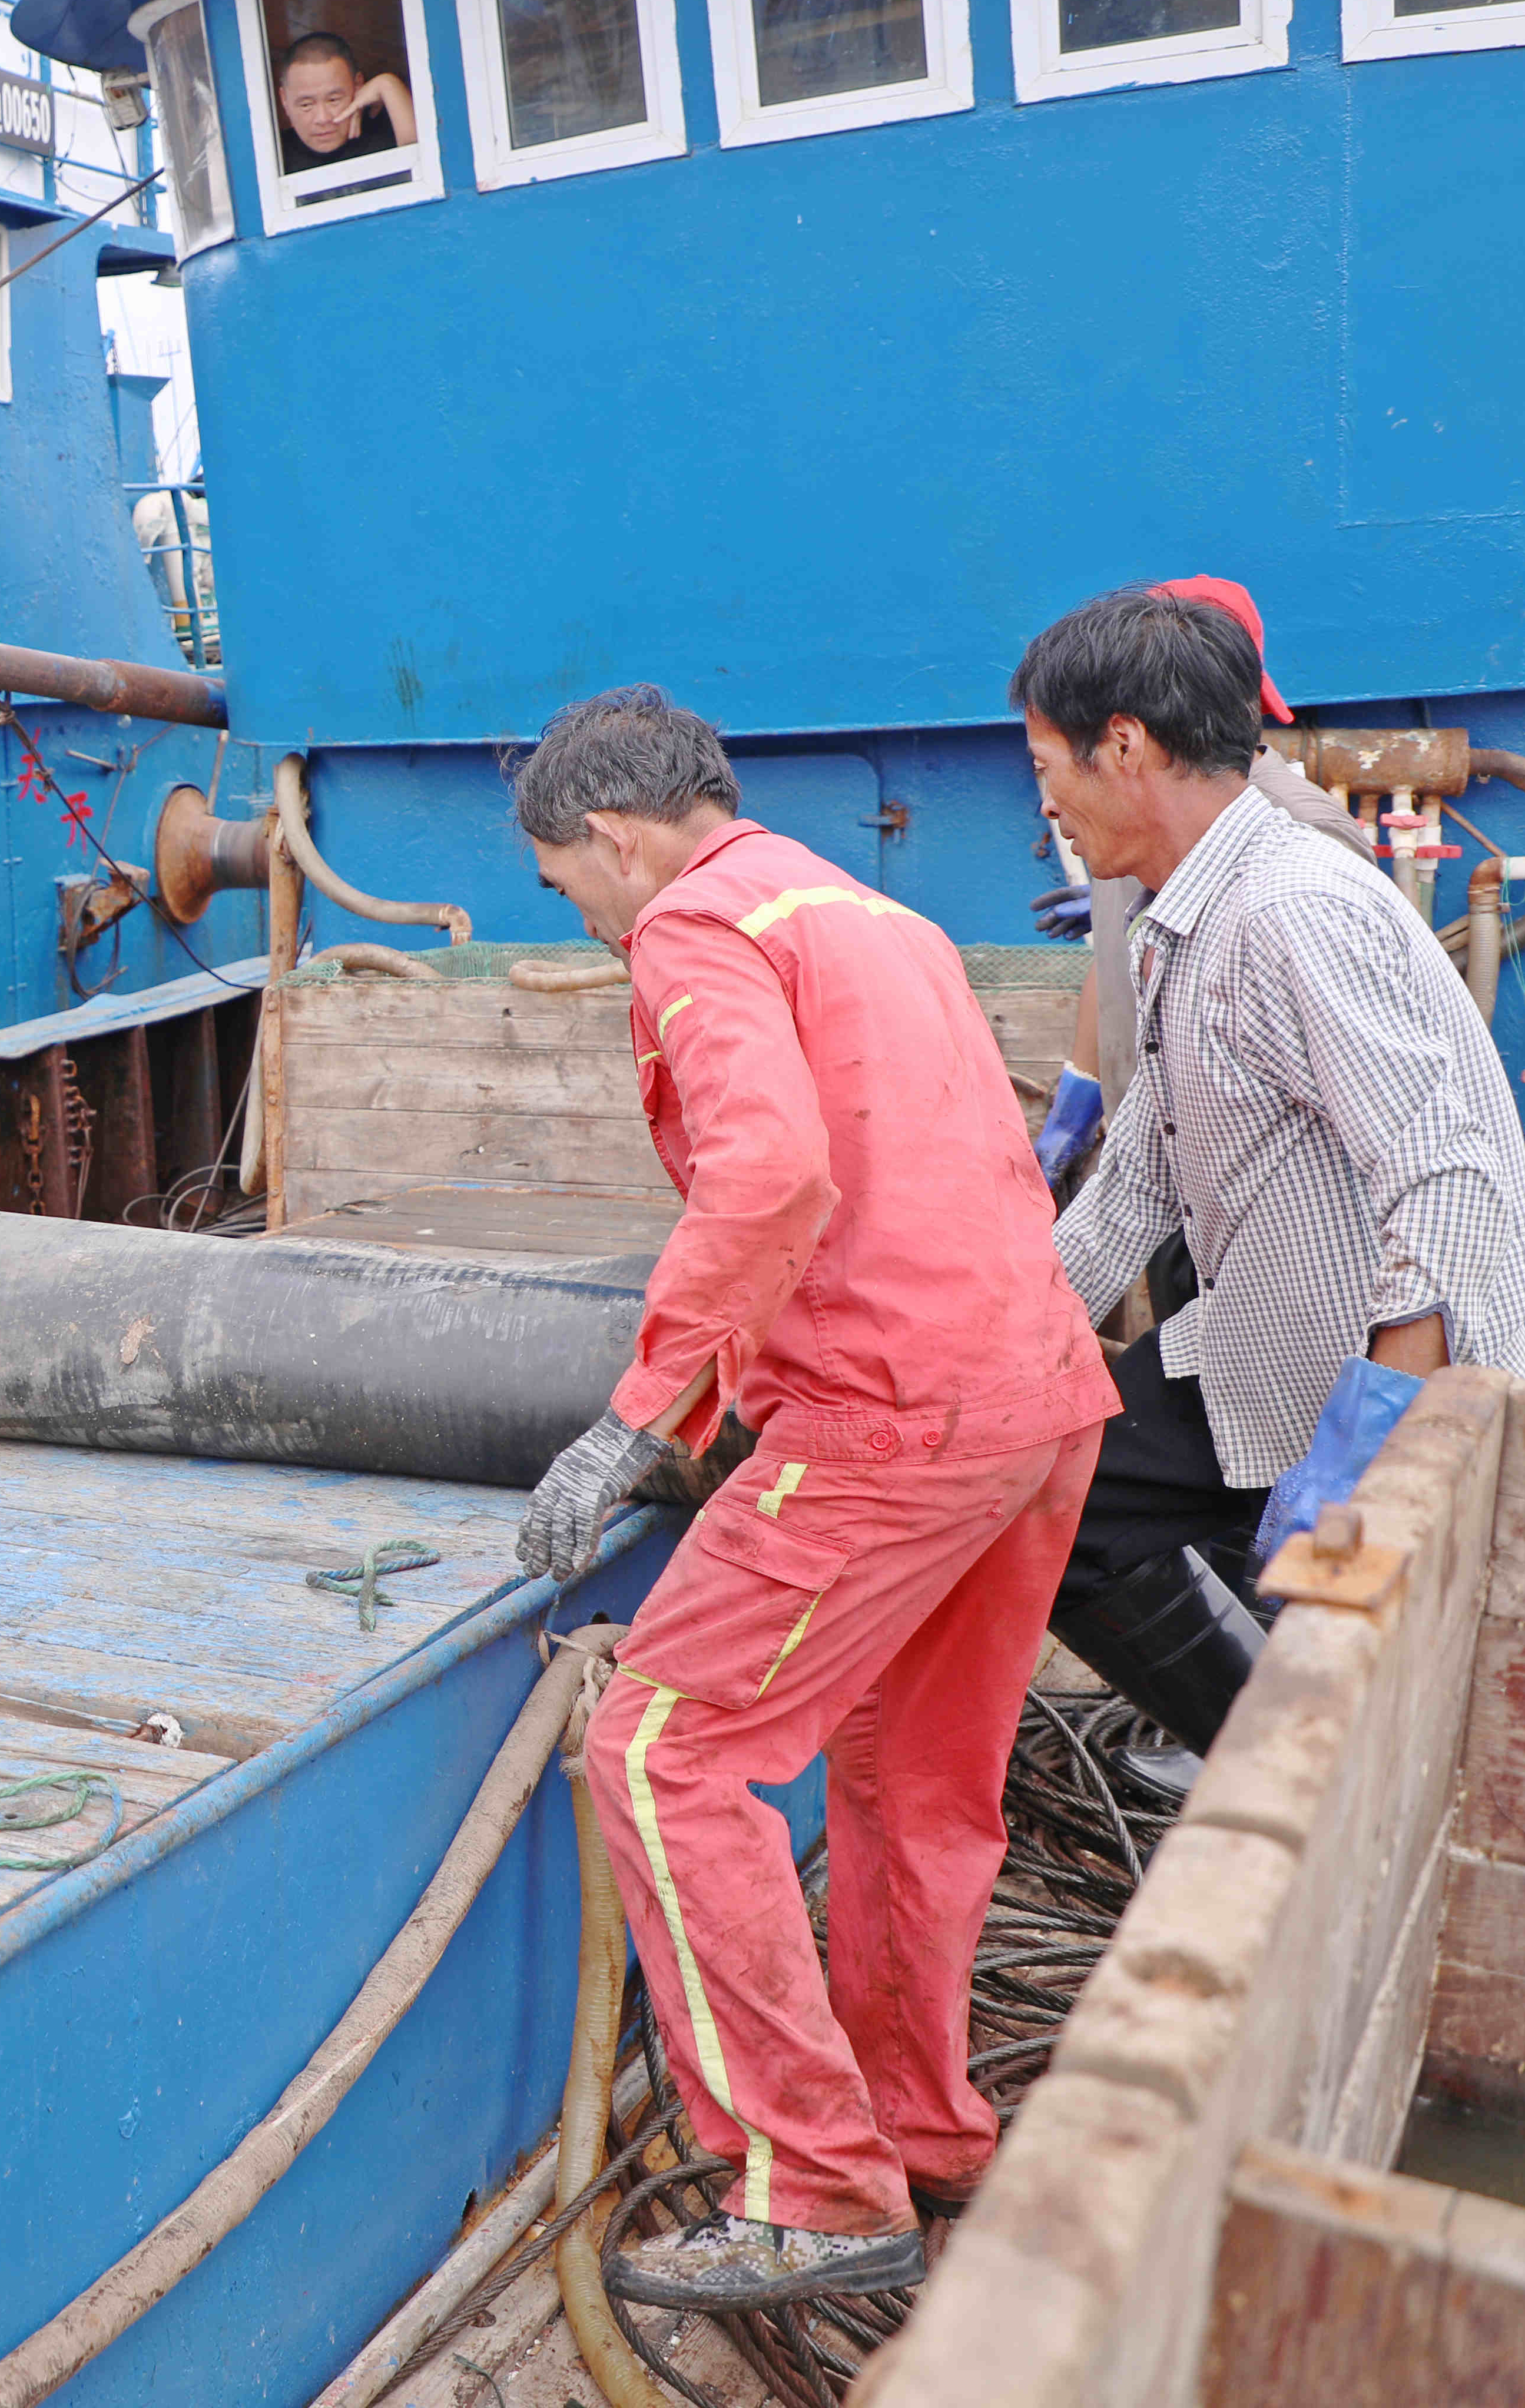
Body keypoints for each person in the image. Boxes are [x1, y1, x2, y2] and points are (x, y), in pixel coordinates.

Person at [503, 687, 1116, 2314]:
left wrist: (638, 1421)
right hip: (1036, 1399)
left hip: (890, 1418)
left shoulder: (695, 926)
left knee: (658, 1752)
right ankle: (921, 2131)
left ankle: (816, 2186)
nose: (584, 922)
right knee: (914, 1782)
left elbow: (770, 1173)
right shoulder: (870, 912)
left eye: (571, 889)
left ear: (618, 837)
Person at [1018, 586, 1525, 1748]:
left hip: (1377, 1374)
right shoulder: (1183, 914)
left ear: (1125, 746)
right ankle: (1279, 1755)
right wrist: (1008, 1326)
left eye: (1050, 762)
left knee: (1353, 1633)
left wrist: (1376, 1431)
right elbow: (1143, 1178)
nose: (1046, 797)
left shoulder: (1291, 906)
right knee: (1064, 1502)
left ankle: (1297, 1774)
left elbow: (1446, 1176)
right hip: (1265, 1342)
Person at [1026, 577, 1366, 1195]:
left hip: (1256, 1187)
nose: (1051, 805)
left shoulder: (1307, 836)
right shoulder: (1131, 816)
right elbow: (1116, 968)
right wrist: (1079, 1095)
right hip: (1164, 1163)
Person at [272, 31, 419, 173]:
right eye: (306, 105)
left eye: (333, 100)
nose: (323, 119)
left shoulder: (387, 127)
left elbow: (423, 159)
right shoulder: (274, 158)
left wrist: (387, 84)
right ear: (284, 100)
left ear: (357, 85)